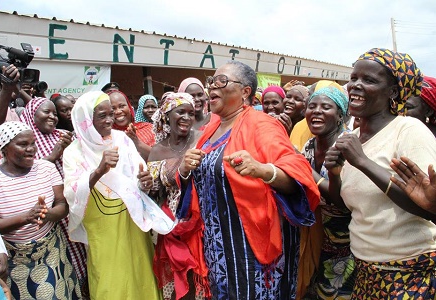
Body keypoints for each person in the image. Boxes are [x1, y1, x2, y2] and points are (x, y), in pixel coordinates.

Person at [177, 61, 320, 299]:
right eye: (211, 81)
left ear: (245, 92)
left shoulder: (263, 124)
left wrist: (263, 170)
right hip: (217, 246)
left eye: (222, 81)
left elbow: (297, 174)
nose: (212, 87)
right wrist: (184, 169)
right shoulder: (212, 128)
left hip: (250, 248)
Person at [325, 48, 436, 298]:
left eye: (369, 80)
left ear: (393, 92)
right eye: (353, 78)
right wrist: (334, 174)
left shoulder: (408, 130)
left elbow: (428, 206)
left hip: (409, 270)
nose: (355, 85)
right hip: (365, 270)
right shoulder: (351, 139)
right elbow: (345, 207)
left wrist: (363, 162)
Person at [63, 91, 175, 299]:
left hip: (131, 218)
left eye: (110, 115)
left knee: (140, 271)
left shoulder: (122, 139)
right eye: (102, 116)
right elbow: (71, 192)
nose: (109, 120)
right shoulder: (74, 152)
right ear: (85, 119)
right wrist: (99, 170)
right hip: (101, 226)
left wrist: (145, 181)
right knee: (109, 277)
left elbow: (138, 176)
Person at [0, 121, 81, 299]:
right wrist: (27, 217)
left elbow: (62, 205)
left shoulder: (47, 168)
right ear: (4, 148)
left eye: (33, 143)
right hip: (14, 259)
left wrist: (47, 214)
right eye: (23, 144)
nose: (31, 149)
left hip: (51, 250)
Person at [19, 97, 89, 297]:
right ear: (32, 116)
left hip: (73, 206)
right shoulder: (24, 142)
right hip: (45, 215)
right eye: (46, 112)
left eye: (54, 114)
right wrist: (54, 154)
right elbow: (25, 176)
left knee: (83, 256)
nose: (52, 117)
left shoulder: (64, 136)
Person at [302, 85, 356, 299]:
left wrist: (302, 168)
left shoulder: (350, 145)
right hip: (315, 233)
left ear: (340, 115)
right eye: (312, 106)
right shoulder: (308, 145)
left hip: (346, 240)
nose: (316, 111)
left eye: (326, 107)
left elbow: (343, 200)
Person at [148, 92, 202, 300]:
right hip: (171, 224)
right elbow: (154, 194)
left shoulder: (200, 140)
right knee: (177, 276)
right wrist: (146, 183)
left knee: (199, 276)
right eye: (180, 112)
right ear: (166, 115)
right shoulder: (157, 151)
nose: (187, 117)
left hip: (201, 221)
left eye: (191, 113)